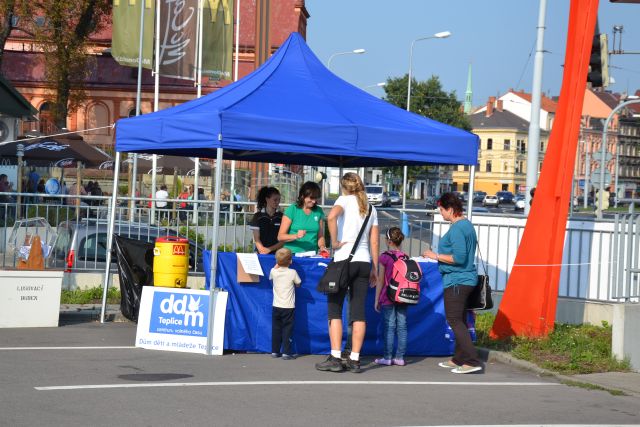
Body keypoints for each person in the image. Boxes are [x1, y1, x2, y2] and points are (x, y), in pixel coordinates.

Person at [315, 172, 379, 373]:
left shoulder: (344, 200)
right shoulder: (370, 208)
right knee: (359, 312)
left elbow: (331, 216)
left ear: (344, 187)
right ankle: (355, 358)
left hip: (344, 259)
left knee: (335, 309)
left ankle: (335, 356)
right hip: (363, 261)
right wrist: (375, 268)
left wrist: (334, 242)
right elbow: (375, 241)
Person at [422, 192, 482, 374]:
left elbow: (459, 257)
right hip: (464, 279)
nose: (440, 213)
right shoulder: (466, 225)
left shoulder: (457, 228)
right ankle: (459, 358)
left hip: (457, 280)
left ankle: (471, 360)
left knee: (454, 320)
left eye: (441, 210)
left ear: (450, 209)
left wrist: (435, 256)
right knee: (460, 320)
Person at [374, 226, 408, 367]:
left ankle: (387, 357)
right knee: (402, 326)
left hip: (388, 296)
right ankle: (399, 357)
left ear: (388, 241)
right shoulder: (405, 257)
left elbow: (381, 280)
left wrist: (377, 299)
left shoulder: (384, 257)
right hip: (403, 296)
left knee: (389, 327)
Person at [269, 247, 302, 360]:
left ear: (277, 261)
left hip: (276, 305)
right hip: (288, 307)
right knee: (287, 329)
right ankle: (286, 352)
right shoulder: (293, 272)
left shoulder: (273, 271)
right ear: (290, 261)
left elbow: (272, 274)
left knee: (276, 329)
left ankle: (275, 351)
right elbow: (298, 283)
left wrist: (277, 264)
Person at [278, 181, 326, 254]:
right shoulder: (292, 209)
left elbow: (320, 236)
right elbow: (280, 237)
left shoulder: (318, 211)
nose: (314, 201)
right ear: (303, 196)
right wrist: (296, 236)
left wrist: (322, 247)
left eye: (316, 198)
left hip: (312, 255)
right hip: (292, 255)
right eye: (311, 198)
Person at [250, 186, 285, 254]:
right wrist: (261, 250)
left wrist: (269, 249)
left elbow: (283, 240)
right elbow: (256, 238)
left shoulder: (282, 217)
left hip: (278, 254)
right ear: (267, 199)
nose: (277, 202)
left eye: (279, 200)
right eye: (275, 200)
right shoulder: (257, 216)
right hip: (260, 253)